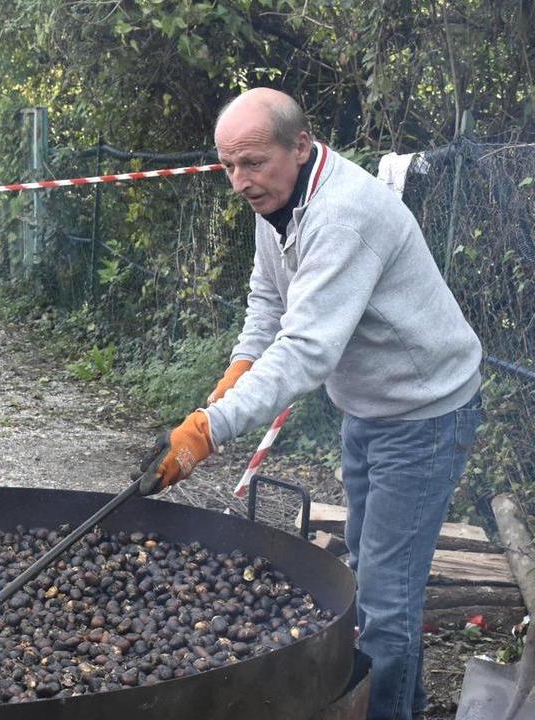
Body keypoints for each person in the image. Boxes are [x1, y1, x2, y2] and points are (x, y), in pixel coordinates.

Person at [151, 88, 483, 720]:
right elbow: (267, 304)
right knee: (368, 575)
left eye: (253, 162)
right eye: (228, 166)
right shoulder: (277, 200)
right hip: (370, 409)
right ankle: (405, 701)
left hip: (426, 417)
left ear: (300, 145)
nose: (240, 181)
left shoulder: (344, 215)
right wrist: (237, 373)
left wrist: (207, 429)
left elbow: (307, 348)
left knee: (386, 604)